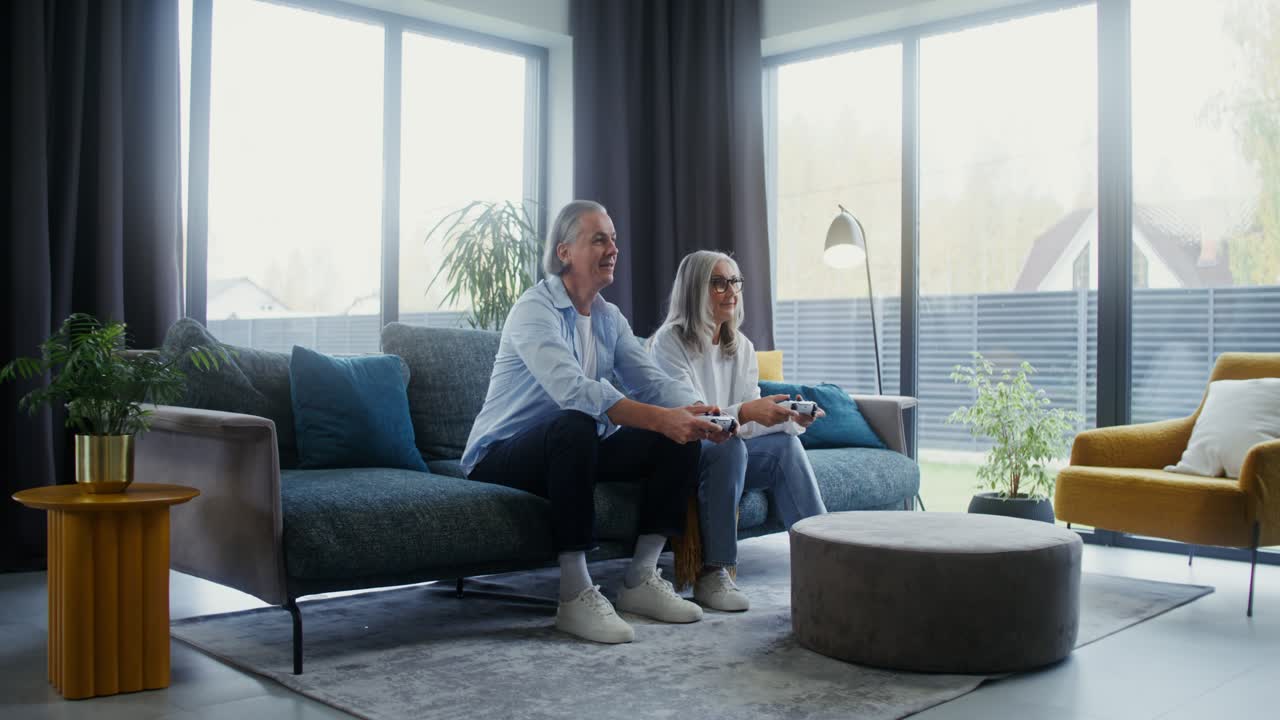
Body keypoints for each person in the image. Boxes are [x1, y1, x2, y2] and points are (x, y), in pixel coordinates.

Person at [463, 200, 732, 644]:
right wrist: (664, 418)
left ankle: (641, 580)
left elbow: (651, 382)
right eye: (599, 239)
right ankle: (575, 594)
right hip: (502, 453)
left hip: (573, 448)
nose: (613, 248)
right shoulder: (534, 310)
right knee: (578, 421)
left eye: (614, 239)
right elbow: (575, 392)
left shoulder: (608, 317)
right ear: (565, 251)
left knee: (677, 438)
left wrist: (705, 415)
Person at [648, 250, 828, 612]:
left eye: (734, 281)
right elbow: (695, 421)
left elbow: (745, 427)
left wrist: (786, 418)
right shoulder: (668, 343)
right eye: (718, 282)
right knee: (726, 449)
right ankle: (715, 573)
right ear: (695, 290)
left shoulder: (741, 346)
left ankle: (826, 563)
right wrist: (748, 411)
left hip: (730, 453)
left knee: (785, 447)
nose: (731, 290)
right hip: (683, 453)